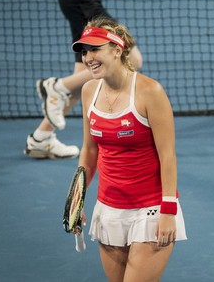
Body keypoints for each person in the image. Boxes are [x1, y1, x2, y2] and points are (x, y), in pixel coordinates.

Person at [74, 17, 187, 281]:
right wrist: (77, 199)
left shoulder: (150, 92)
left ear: (117, 49)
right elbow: (89, 151)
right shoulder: (89, 91)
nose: (88, 57)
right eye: (84, 51)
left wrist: (168, 210)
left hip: (150, 210)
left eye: (95, 49)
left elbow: (167, 154)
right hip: (109, 209)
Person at [24, 0, 142, 159]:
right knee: (132, 57)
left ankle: (41, 138)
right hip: (81, 0)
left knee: (83, 81)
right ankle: (56, 87)